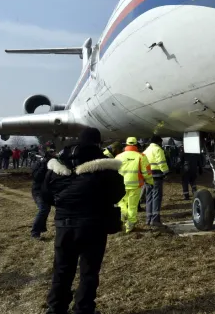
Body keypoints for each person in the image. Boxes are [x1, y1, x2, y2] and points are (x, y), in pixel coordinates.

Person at [42, 127, 125, 314]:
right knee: (88, 272)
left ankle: (56, 308)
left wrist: (66, 206)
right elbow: (117, 194)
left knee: (62, 270)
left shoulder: (58, 166)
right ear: (98, 143)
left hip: (64, 225)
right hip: (93, 225)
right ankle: (84, 308)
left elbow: (46, 195)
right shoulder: (103, 167)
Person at [115, 137, 153, 233]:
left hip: (121, 185)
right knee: (132, 206)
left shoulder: (118, 156)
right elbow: (147, 172)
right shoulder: (141, 156)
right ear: (136, 145)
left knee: (121, 203)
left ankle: (123, 215)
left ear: (126, 145)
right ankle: (130, 225)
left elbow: (114, 171)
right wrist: (150, 182)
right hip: (135, 185)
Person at [143, 136, 169, 228]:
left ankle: (148, 218)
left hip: (148, 176)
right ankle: (155, 219)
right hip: (157, 176)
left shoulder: (146, 150)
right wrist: (166, 172)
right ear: (158, 142)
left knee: (149, 197)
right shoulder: (158, 149)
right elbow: (161, 162)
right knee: (156, 197)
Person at [31, 145, 52, 239]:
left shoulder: (55, 162)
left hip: (49, 190)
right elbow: (36, 177)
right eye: (49, 152)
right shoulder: (38, 163)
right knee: (43, 208)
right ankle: (35, 232)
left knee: (47, 209)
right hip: (38, 190)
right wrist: (44, 164)